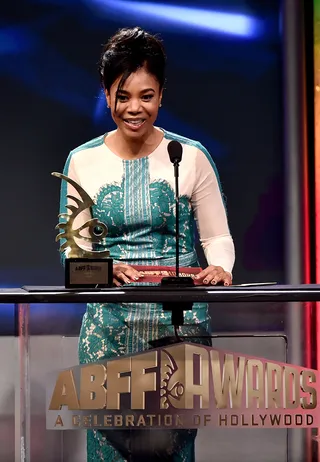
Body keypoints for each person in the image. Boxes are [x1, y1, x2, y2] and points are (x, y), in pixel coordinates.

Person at [59, 26, 235, 462]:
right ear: (105, 93)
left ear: (161, 94)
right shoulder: (82, 160)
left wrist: (221, 268)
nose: (134, 108)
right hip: (109, 329)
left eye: (146, 95)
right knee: (108, 451)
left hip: (179, 326)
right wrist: (105, 266)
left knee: (174, 453)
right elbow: (74, 249)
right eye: (123, 95)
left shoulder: (190, 156)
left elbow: (217, 237)